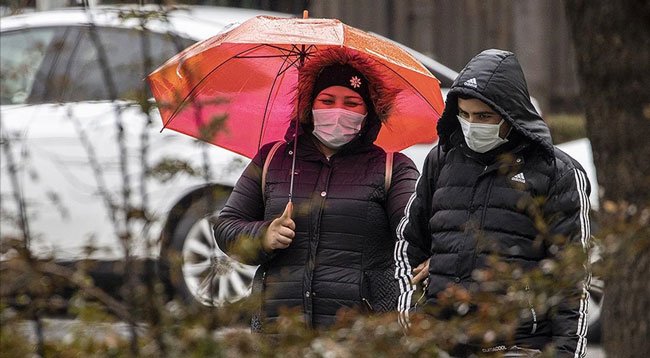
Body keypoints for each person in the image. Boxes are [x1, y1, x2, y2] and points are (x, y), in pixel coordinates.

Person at [394, 49, 591, 357]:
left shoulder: (557, 173)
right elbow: (408, 248)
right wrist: (414, 329)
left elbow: (572, 281)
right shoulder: (441, 160)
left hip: (521, 345)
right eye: (465, 115)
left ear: (511, 113)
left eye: (484, 116)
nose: (473, 125)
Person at [213, 47, 419, 332]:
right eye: (327, 100)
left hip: (362, 335)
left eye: (352, 103)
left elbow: (416, 232)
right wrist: (264, 235)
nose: (338, 111)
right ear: (308, 106)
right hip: (280, 330)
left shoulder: (391, 168)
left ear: (368, 112)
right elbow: (226, 227)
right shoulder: (272, 160)